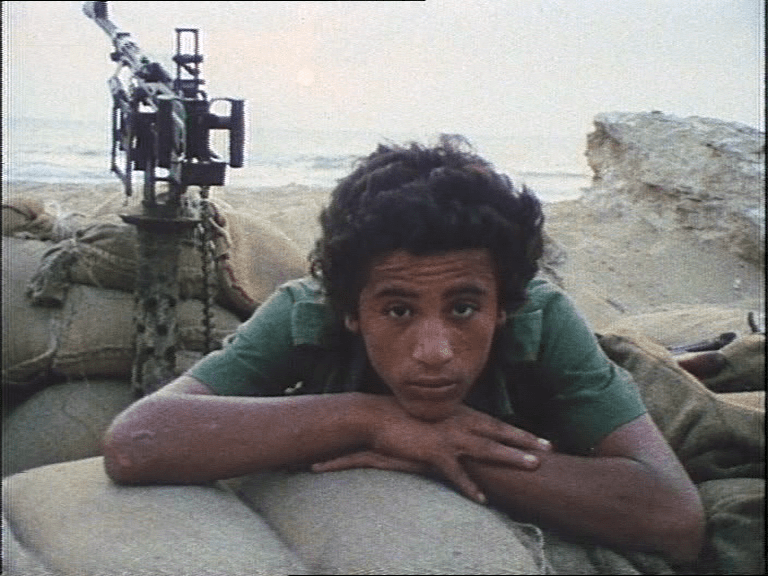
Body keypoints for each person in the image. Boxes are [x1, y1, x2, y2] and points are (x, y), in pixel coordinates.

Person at [102, 135, 705, 568]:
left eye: (463, 309)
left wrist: (445, 450)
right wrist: (372, 419)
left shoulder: (542, 320)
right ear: (349, 310)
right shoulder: (304, 312)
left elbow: (675, 518)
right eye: (397, 311)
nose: (434, 352)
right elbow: (138, 441)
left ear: (504, 306)